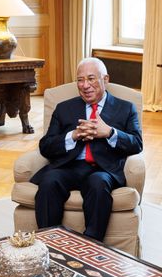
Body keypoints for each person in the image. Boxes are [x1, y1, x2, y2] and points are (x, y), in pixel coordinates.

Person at [31, 57, 142, 240]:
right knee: (50, 180)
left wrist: (110, 133)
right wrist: (72, 136)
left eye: (91, 79)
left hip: (103, 169)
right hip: (69, 166)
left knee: (98, 183)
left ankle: (91, 243)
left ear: (105, 80)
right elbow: (46, 146)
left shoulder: (125, 108)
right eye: (80, 80)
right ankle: (48, 241)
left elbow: (137, 143)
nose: (85, 85)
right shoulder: (64, 108)